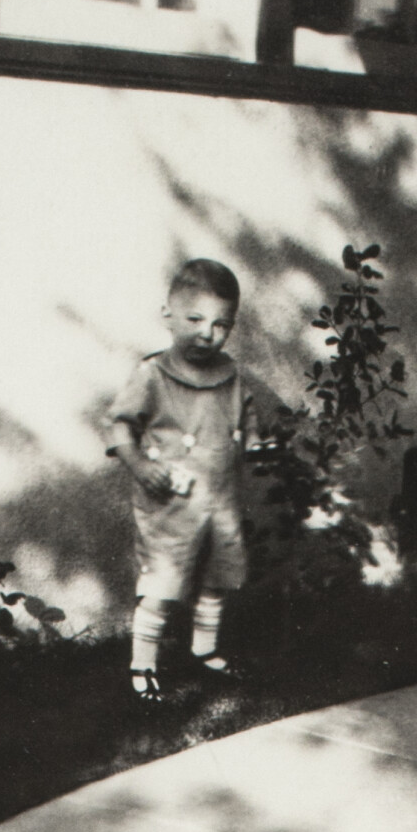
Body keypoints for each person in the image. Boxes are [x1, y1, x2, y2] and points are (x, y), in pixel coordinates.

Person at [106, 258, 256, 702]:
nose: (207, 333)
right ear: (168, 316)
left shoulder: (230, 375)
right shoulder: (152, 374)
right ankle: (143, 665)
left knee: (217, 576)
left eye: (221, 324)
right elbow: (120, 425)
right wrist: (140, 465)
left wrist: (255, 441)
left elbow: (244, 417)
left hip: (220, 499)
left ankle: (205, 649)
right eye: (195, 319)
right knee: (164, 584)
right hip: (171, 503)